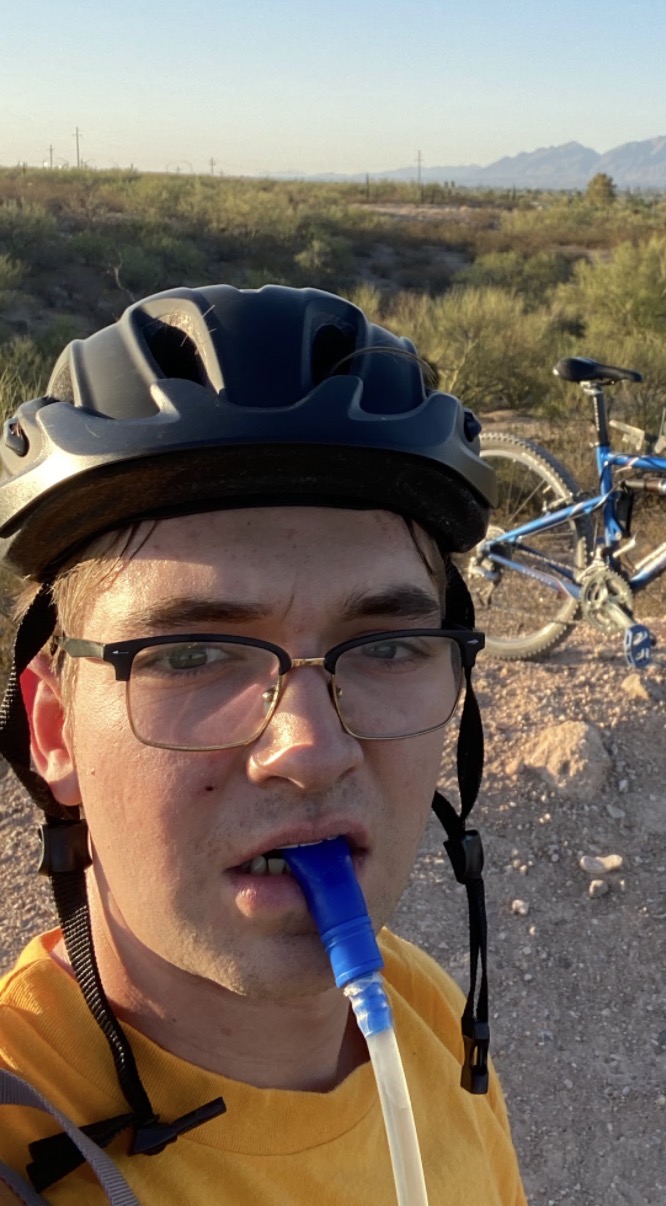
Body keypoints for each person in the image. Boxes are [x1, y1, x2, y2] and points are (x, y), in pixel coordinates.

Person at [0, 284, 526, 1202]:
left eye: (388, 645)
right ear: (54, 729)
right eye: (193, 654)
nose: (312, 749)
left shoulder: (425, 1012)